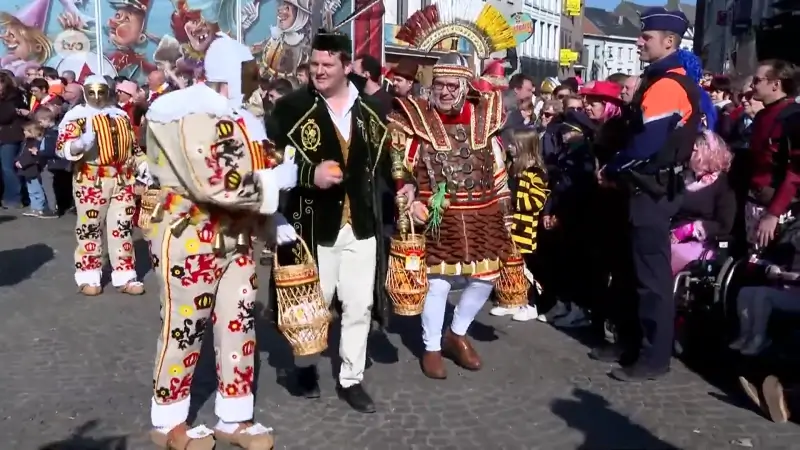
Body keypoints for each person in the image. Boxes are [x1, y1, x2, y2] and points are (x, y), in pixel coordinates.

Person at [144, 32, 297, 448]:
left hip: (238, 238)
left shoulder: (240, 116)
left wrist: (273, 214)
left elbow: (252, 170)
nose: (255, 78)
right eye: (248, 70)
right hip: (191, 236)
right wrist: (275, 182)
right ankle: (168, 419)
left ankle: (234, 416)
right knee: (184, 328)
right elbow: (215, 183)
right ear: (229, 73)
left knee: (239, 324)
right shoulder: (188, 115)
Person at [268, 29, 401, 413]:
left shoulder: (372, 109)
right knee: (312, 305)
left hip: (360, 223)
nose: (319, 71)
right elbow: (268, 158)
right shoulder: (292, 108)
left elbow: (391, 156)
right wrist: (311, 176)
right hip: (311, 224)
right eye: (314, 64)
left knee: (358, 306)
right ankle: (305, 366)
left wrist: (404, 185)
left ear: (347, 65)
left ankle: (351, 378)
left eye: (328, 64)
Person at [389, 51, 513, 379]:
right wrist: (410, 197)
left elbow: (498, 166)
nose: (444, 91)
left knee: (485, 277)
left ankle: (456, 333)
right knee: (439, 282)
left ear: (464, 86)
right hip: (438, 214)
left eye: (451, 85)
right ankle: (431, 347)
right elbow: (402, 166)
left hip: (482, 211)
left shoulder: (484, 117)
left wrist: (505, 207)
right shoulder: (417, 117)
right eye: (439, 85)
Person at [598, 7, 702, 381]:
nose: (639, 41)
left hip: (653, 191)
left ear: (669, 42)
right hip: (644, 189)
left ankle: (654, 357)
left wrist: (610, 168)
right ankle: (628, 340)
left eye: (647, 37)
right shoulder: (657, 79)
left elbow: (646, 144)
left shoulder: (668, 84)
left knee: (651, 279)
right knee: (629, 272)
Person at [55, 75, 147, 296]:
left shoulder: (121, 115)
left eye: (101, 91)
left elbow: (133, 148)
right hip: (91, 179)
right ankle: (89, 274)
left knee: (122, 227)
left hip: (123, 178)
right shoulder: (76, 116)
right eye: (92, 91)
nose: (97, 96)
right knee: (90, 227)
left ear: (109, 92)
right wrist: (78, 145)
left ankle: (125, 274)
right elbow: (62, 147)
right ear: (85, 92)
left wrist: (144, 165)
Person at [491, 128, 549, 322]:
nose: (509, 147)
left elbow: (537, 202)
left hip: (527, 228)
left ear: (523, 147)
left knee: (528, 267)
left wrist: (514, 199)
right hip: (512, 226)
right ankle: (513, 299)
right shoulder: (512, 168)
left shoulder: (535, 173)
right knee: (512, 264)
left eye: (513, 145)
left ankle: (533, 303)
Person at [670, 130, 735, 275]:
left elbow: (724, 225)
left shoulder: (722, 185)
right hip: (671, 234)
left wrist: (689, 230)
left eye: (693, 150)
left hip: (702, 243)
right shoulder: (682, 177)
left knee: (665, 257)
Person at [16, 121, 56, 218]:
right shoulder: (25, 142)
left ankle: (39, 207)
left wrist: (22, 163)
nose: (24, 133)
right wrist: (17, 160)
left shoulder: (34, 143)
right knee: (31, 189)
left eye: (26, 131)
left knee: (36, 189)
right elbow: (21, 153)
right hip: (26, 169)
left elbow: (32, 157)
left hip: (32, 169)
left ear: (32, 131)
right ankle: (34, 207)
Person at [0, 71, 27, 209]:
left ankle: (14, 199)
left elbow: (5, 116)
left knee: (8, 168)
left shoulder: (13, 98)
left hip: (10, 136)